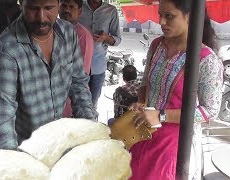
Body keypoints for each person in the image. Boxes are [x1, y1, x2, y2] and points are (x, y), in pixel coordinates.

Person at [129, 0, 223, 179]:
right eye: (160, 15)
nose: (161, 22)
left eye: (169, 16)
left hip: (176, 143)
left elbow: (210, 111)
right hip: (143, 132)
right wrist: (141, 102)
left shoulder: (206, 60)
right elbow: (144, 82)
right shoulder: (157, 45)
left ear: (189, 17)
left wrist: (161, 115)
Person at [0, 0, 96, 150]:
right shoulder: (7, 49)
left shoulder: (68, 34)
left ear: (59, 4)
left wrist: (91, 128)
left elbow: (78, 85)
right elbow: (2, 118)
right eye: (33, 9)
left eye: (48, 8)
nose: (41, 18)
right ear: (21, 4)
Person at [79, 0, 121, 110]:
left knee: (93, 104)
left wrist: (106, 38)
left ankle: (92, 124)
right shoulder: (78, 6)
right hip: (78, 67)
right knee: (76, 103)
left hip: (98, 68)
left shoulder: (111, 10)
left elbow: (117, 39)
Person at [59, 0, 94, 117]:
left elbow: (79, 78)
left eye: (71, 7)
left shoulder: (82, 35)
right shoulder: (53, 30)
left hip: (68, 101)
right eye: (64, 6)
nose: (66, 10)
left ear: (79, 11)